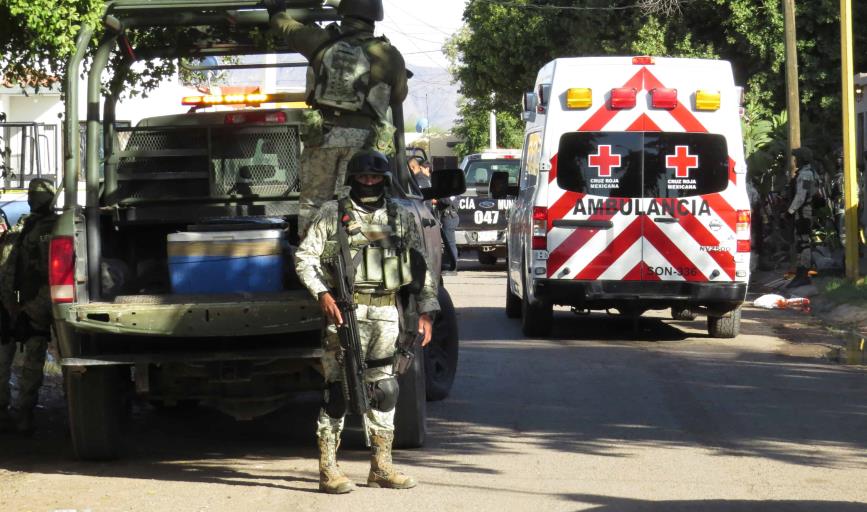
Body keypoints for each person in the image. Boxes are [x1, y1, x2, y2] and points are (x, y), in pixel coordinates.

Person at [295, 149, 439, 494]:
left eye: (375, 177)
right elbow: (304, 258)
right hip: (346, 313)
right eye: (363, 177)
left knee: (385, 389)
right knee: (339, 390)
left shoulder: (401, 216)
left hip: (388, 311)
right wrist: (322, 294)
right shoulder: (333, 214)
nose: (369, 182)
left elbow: (419, 269)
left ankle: (381, 466)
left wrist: (426, 312)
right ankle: (329, 469)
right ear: (353, 179)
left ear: (385, 179)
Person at [270, 0, 408, 237]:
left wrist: (276, 11)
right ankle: (357, 255)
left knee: (313, 203)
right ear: (374, 19)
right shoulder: (389, 55)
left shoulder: (319, 40)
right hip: (365, 143)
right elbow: (398, 97)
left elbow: (284, 27)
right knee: (357, 201)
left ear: (344, 14)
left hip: (323, 137)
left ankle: (313, 258)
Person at [0, 178, 58, 433]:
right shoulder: (25, 225)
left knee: (32, 358)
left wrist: (32, 309)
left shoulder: (50, 228)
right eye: (32, 194)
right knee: (4, 357)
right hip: (10, 302)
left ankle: (24, 412)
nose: (33, 199)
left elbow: (49, 274)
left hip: (34, 304)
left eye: (38, 195)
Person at [787, 148, 816, 288]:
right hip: (801, 212)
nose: (795, 160)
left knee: (804, 243)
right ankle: (801, 273)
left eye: (796, 157)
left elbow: (801, 196)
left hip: (804, 212)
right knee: (800, 242)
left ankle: (803, 274)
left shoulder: (805, 175)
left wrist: (790, 211)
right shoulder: (803, 173)